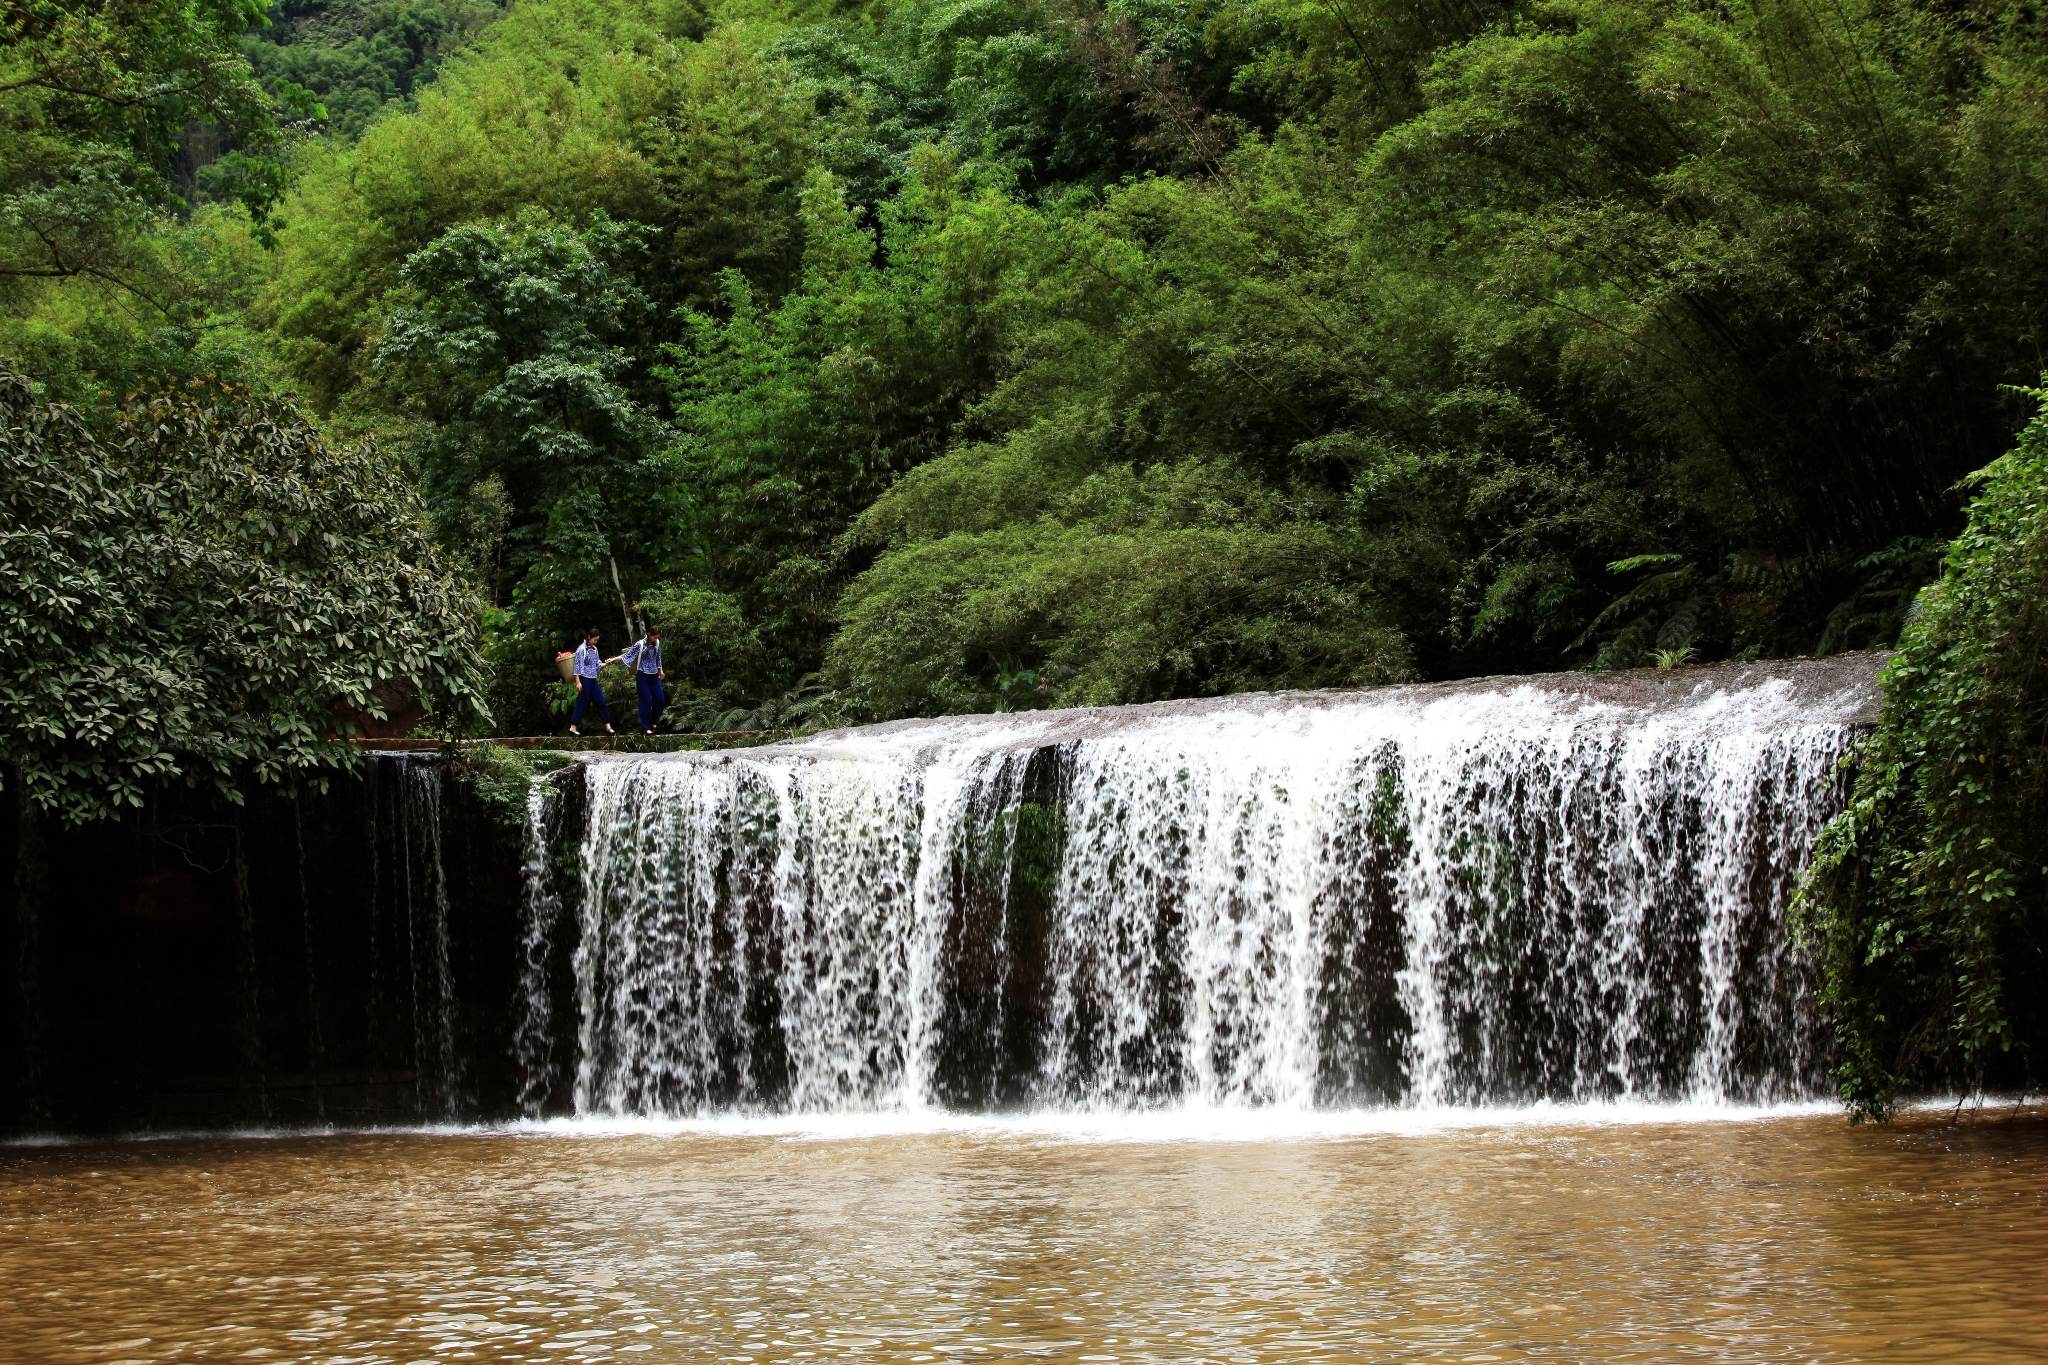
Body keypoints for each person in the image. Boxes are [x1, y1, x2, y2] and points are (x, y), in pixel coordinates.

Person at [619, 625, 669, 734]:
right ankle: (645, 727)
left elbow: (658, 657)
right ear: (649, 635)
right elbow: (628, 655)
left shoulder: (657, 643)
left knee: (660, 699)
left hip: (654, 674)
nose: (656, 639)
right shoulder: (640, 644)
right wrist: (613, 659)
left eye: (658, 637)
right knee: (646, 701)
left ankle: (653, 722)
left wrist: (660, 670)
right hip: (642, 674)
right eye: (655, 637)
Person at [567, 627, 617, 735]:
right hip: (584, 679)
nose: (596, 642)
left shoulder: (594, 649)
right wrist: (578, 681)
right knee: (583, 702)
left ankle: (608, 726)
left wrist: (605, 663)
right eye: (595, 639)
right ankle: (573, 727)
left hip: (593, 679)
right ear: (589, 637)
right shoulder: (581, 649)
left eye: (597, 640)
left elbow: (597, 665)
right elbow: (577, 666)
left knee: (600, 701)